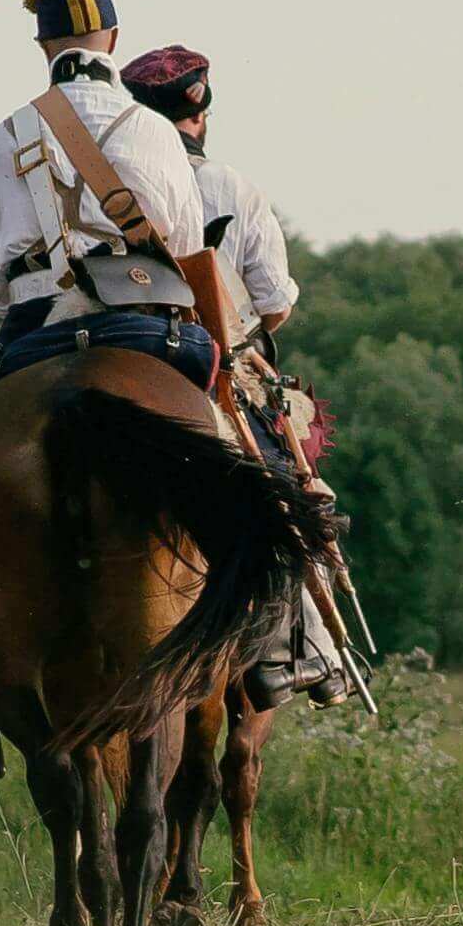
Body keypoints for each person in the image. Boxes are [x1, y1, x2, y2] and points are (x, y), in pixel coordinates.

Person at [122, 42, 357, 700]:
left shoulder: (103, 180)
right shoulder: (230, 186)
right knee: (287, 488)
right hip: (213, 361)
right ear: (200, 112)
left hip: (117, 346)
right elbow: (274, 303)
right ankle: (299, 647)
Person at [0, 0, 220, 384]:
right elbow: (185, 248)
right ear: (113, 39)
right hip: (143, 320)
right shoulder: (156, 130)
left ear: (44, 46)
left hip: (35, 324)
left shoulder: (2, 137)